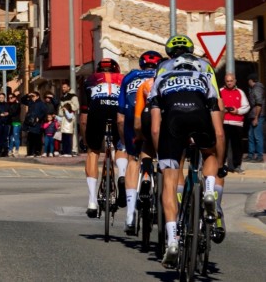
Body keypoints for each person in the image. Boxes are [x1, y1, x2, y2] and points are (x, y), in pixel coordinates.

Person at [150, 53, 225, 268]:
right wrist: (219, 161)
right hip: (200, 118)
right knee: (209, 154)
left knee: (170, 183)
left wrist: (161, 154)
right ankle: (209, 190)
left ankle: (173, 241)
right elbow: (219, 132)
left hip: (172, 122)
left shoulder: (161, 79)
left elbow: (154, 128)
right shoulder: (204, 79)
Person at [117, 50, 163, 234]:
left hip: (132, 115)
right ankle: (150, 179)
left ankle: (130, 215)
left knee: (132, 159)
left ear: (141, 64)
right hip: (156, 114)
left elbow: (120, 118)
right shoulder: (163, 75)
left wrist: (123, 141)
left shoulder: (129, 77)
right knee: (155, 153)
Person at [80, 58, 124, 218]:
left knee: (93, 151)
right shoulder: (124, 79)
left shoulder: (89, 80)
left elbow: (83, 118)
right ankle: (122, 175)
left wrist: (86, 140)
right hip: (117, 111)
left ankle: (92, 201)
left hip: (97, 111)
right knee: (121, 146)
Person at [220, 73, 250, 174]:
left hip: (237, 123)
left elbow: (246, 107)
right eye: (227, 81)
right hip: (223, 123)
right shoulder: (220, 91)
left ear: (235, 81)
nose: (229, 83)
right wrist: (222, 110)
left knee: (237, 146)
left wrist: (237, 111)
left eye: (231, 81)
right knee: (222, 146)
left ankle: (237, 165)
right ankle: (221, 165)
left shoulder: (240, 92)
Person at [246, 74, 266, 163]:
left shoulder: (257, 88)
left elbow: (259, 103)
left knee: (257, 136)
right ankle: (251, 155)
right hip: (253, 115)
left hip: (257, 116)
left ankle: (259, 156)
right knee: (251, 136)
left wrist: (256, 117)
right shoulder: (253, 88)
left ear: (251, 80)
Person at [20, 91, 47, 157]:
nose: (32, 97)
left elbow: (44, 112)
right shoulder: (30, 102)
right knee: (30, 139)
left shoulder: (41, 104)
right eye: (31, 96)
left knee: (37, 138)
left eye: (33, 96)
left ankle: (37, 152)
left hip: (37, 124)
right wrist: (28, 95)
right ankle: (30, 153)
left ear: (37, 96)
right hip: (30, 123)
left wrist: (39, 118)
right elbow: (22, 100)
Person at [58, 81, 79, 157]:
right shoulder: (62, 97)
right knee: (64, 134)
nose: (63, 89)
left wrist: (67, 108)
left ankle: (73, 150)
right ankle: (65, 150)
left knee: (71, 134)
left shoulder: (73, 96)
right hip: (63, 118)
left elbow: (76, 106)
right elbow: (60, 107)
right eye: (62, 87)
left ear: (68, 87)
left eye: (64, 87)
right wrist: (60, 114)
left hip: (70, 117)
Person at [0, 92, 11, 157]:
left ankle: (5, 151)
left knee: (6, 138)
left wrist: (8, 113)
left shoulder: (7, 105)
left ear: (4, 98)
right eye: (0, 97)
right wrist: (0, 115)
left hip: (6, 123)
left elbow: (11, 112)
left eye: (2, 97)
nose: (1, 99)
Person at [8, 92, 22, 157]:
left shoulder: (17, 104)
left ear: (15, 98)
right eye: (9, 98)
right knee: (11, 137)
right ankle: (10, 150)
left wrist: (8, 113)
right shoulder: (8, 104)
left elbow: (14, 112)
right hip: (10, 122)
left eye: (11, 97)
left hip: (16, 122)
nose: (10, 99)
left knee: (16, 136)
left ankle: (17, 150)